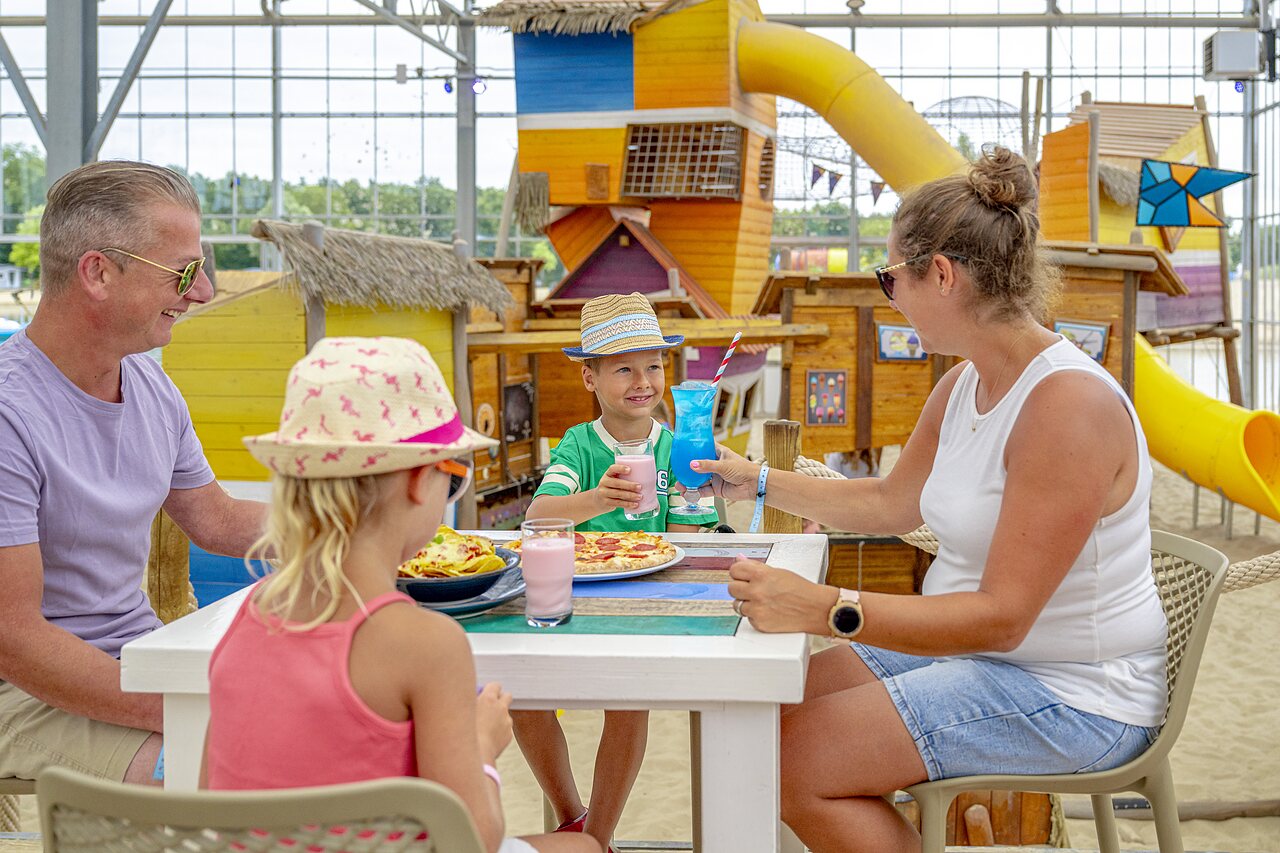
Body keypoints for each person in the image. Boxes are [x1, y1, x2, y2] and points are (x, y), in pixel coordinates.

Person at [689, 147, 1167, 853]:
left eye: (890, 278)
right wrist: (756, 479)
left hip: (1077, 692)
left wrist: (824, 607)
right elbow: (892, 502)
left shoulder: (1068, 407)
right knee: (754, 713)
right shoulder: (963, 385)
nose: (890, 294)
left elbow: (1002, 619)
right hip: (990, 658)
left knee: (790, 760)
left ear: (940, 275)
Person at [202, 337, 598, 853]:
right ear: (418, 481)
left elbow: (212, 806)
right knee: (585, 848)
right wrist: (482, 746)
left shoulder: (244, 623)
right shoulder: (425, 644)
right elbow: (472, 839)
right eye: (453, 477)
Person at [0, 161, 267, 786]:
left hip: (137, 662)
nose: (201, 293)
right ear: (98, 272)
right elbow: (15, 639)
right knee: (241, 773)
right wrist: (189, 705)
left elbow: (216, 520)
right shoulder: (8, 413)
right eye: (185, 271)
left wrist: (355, 524)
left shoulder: (148, 380)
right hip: (22, 693)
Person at [515, 292, 718, 851]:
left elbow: (684, 532)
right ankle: (570, 816)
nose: (642, 380)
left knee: (629, 708)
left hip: (644, 601)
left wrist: (693, 507)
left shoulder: (675, 445)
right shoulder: (580, 445)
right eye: (623, 367)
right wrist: (596, 496)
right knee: (524, 702)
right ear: (590, 378)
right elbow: (538, 515)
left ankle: (598, 838)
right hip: (576, 598)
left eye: (652, 365)